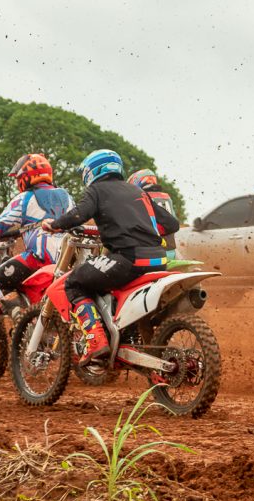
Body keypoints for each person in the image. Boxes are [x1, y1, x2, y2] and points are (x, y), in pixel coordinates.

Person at [42, 149, 181, 365]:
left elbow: (79, 214)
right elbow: (172, 224)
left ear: (93, 170)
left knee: (74, 282)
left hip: (128, 259)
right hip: (158, 260)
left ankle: (96, 341)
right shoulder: (138, 192)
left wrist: (55, 224)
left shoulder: (97, 190)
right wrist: (139, 229)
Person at [0, 154, 73, 313]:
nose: (16, 182)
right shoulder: (67, 197)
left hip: (39, 259)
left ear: (27, 176)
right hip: (65, 262)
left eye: (18, 178)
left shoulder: (26, 198)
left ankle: (17, 317)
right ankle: (31, 310)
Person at [128, 168, 178, 258]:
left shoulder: (140, 197)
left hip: (148, 251)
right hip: (170, 250)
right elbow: (175, 221)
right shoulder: (166, 197)